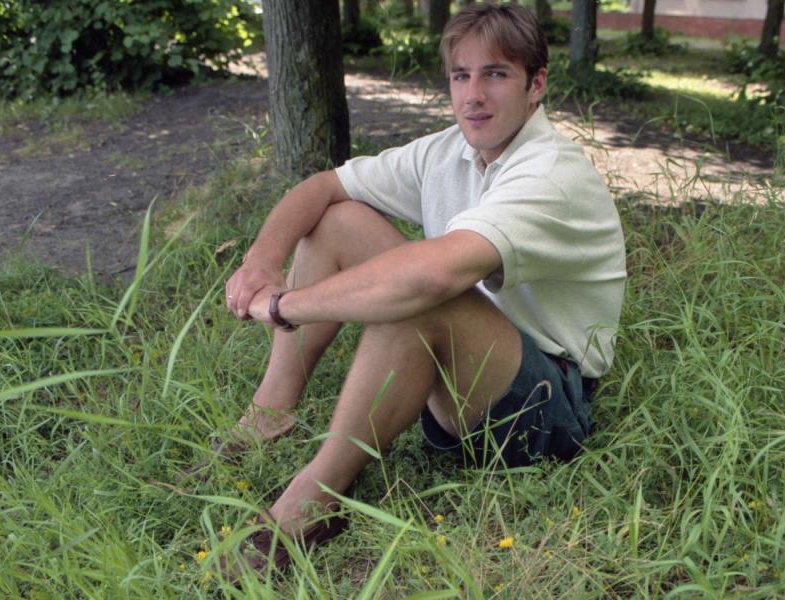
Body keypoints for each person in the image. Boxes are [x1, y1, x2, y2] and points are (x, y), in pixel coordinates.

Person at [219, 2, 625, 576]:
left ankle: (311, 505)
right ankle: (270, 412)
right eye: (461, 75)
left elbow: (430, 277)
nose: (473, 95)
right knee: (339, 219)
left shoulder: (551, 173)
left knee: (418, 296)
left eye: (495, 74)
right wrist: (261, 262)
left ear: (536, 85)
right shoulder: (448, 150)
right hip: (470, 369)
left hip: (547, 408)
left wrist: (285, 306)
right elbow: (324, 185)